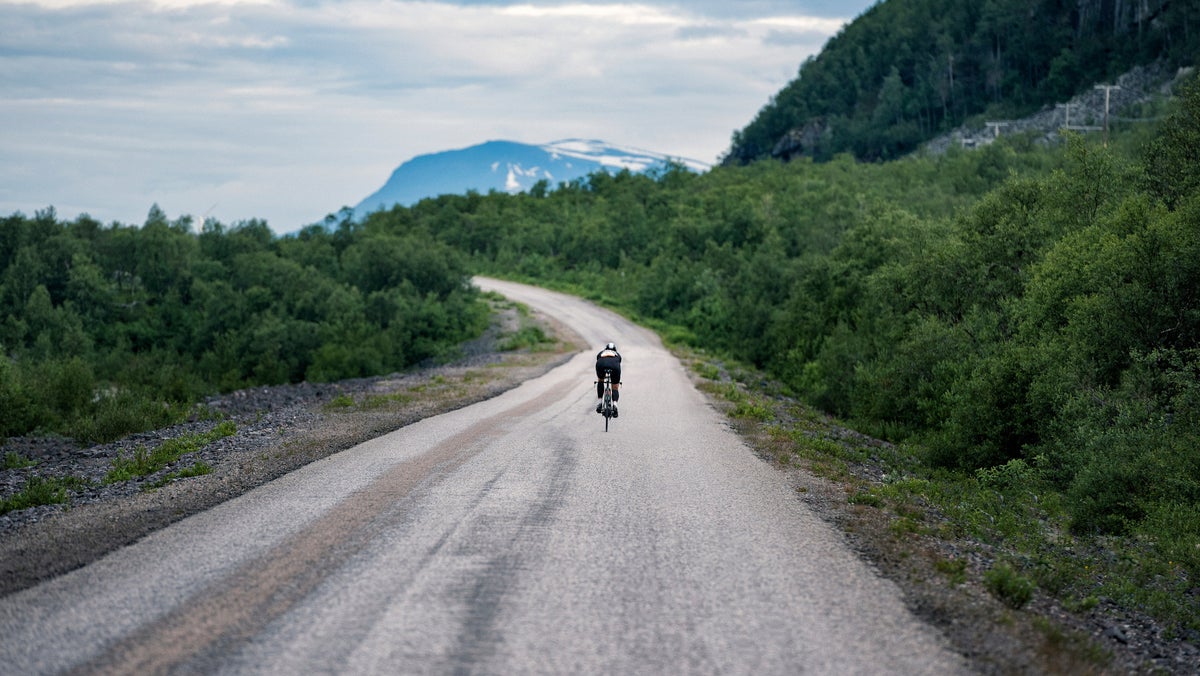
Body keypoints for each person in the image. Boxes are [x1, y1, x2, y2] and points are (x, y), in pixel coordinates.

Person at [595, 342, 622, 416]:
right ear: (614, 349)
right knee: (615, 385)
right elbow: (619, 362)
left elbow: (598, 359)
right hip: (614, 366)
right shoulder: (617, 354)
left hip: (601, 364)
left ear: (606, 349)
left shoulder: (601, 352)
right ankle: (615, 405)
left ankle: (600, 403)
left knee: (600, 380)